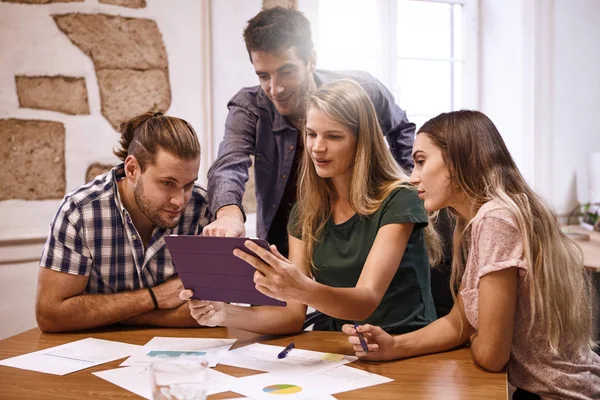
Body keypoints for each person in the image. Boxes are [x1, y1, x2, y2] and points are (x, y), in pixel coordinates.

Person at [343, 110, 600, 399]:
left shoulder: (496, 219)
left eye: (420, 162)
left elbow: (492, 355)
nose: (413, 178)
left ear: (457, 160)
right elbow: (459, 323)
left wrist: (479, 337)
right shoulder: (479, 219)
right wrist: (394, 346)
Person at [182, 79, 439, 335]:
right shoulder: (307, 211)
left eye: (334, 136)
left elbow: (366, 301)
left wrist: (299, 286)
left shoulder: (400, 198)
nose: (317, 147)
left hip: (408, 346)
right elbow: (292, 316)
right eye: (311, 134)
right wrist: (224, 313)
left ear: (362, 142)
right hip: (344, 348)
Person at [204, 6, 416, 257]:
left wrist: (404, 195)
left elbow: (403, 133)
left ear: (311, 60)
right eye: (263, 76)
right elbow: (229, 163)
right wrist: (228, 213)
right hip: (282, 245)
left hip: (357, 242)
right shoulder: (249, 106)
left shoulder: (362, 91)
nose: (275, 89)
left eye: (286, 72)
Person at [35, 112, 211, 332]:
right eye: (167, 183)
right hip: (95, 354)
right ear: (132, 169)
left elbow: (212, 311)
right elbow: (51, 314)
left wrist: (116, 314)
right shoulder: (80, 211)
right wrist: (155, 298)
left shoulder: (203, 208)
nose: (180, 200)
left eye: (188, 185)